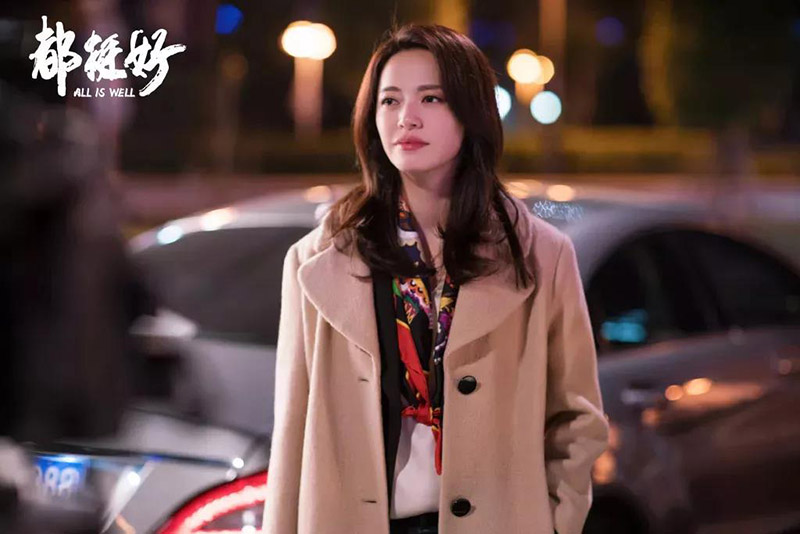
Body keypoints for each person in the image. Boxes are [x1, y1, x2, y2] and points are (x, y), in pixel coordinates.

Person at [263, 24, 609, 534]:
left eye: (431, 98)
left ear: (472, 112)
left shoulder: (541, 255)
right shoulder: (316, 260)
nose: (407, 117)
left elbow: (576, 420)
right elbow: (291, 432)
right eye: (389, 100)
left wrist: (559, 521)